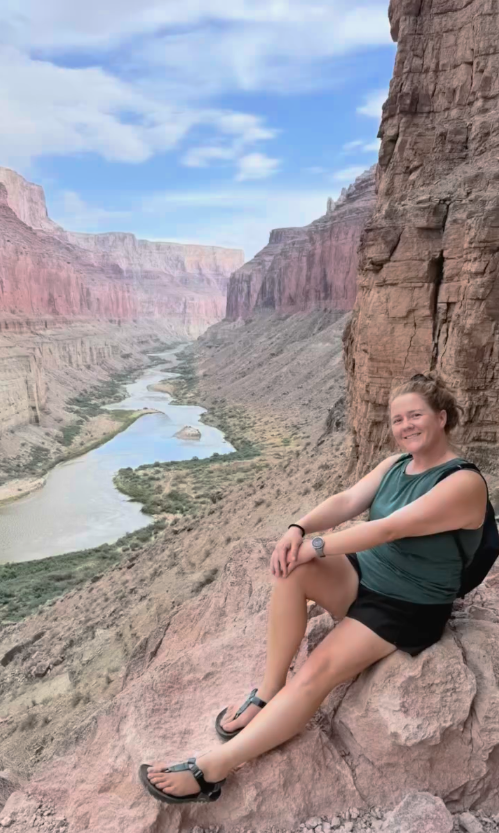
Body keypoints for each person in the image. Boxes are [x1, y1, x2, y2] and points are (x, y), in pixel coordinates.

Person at [140, 373, 487, 804]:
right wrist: (298, 527)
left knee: (316, 672)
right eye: (397, 419)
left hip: (408, 605)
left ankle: (211, 770)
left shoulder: (463, 482)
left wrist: (317, 545)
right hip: (365, 576)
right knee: (290, 569)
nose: (405, 426)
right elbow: (346, 501)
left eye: (415, 415)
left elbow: (390, 527)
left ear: (442, 417)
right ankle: (268, 693)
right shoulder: (396, 466)